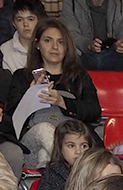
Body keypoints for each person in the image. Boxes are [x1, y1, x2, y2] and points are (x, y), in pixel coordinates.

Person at [7, 19, 101, 169]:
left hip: (72, 144)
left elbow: (94, 112)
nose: (55, 47)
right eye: (48, 41)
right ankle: (72, 174)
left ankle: (56, 176)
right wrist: (30, 95)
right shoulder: (22, 76)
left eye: (61, 42)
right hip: (34, 143)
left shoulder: (79, 77)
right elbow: (13, 118)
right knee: (45, 130)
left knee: (49, 155)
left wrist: (63, 102)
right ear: (37, 44)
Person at [0, 0, 40, 73]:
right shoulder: (5, 49)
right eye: (20, 20)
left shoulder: (46, 45)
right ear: (14, 23)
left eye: (30, 19)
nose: (25, 24)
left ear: (38, 21)